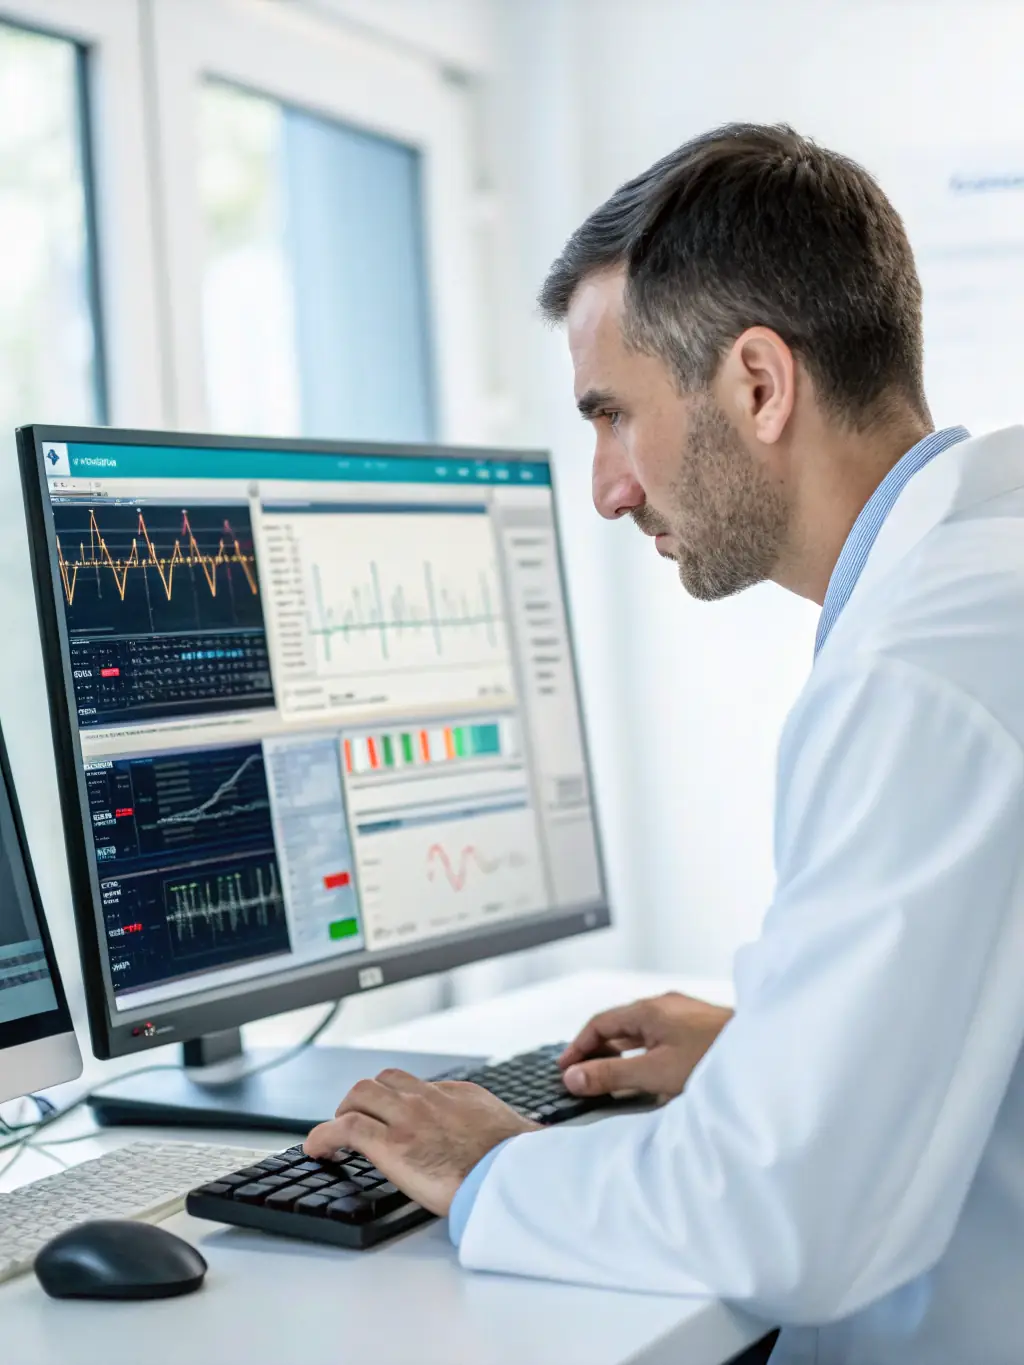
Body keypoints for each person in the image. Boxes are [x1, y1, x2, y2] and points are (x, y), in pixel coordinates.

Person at [306, 123, 1024, 1363]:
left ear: (757, 383)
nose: (606, 489)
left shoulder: (916, 676)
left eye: (612, 416)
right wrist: (772, 1055)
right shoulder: (981, 568)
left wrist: (490, 1167)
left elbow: (783, 1221)